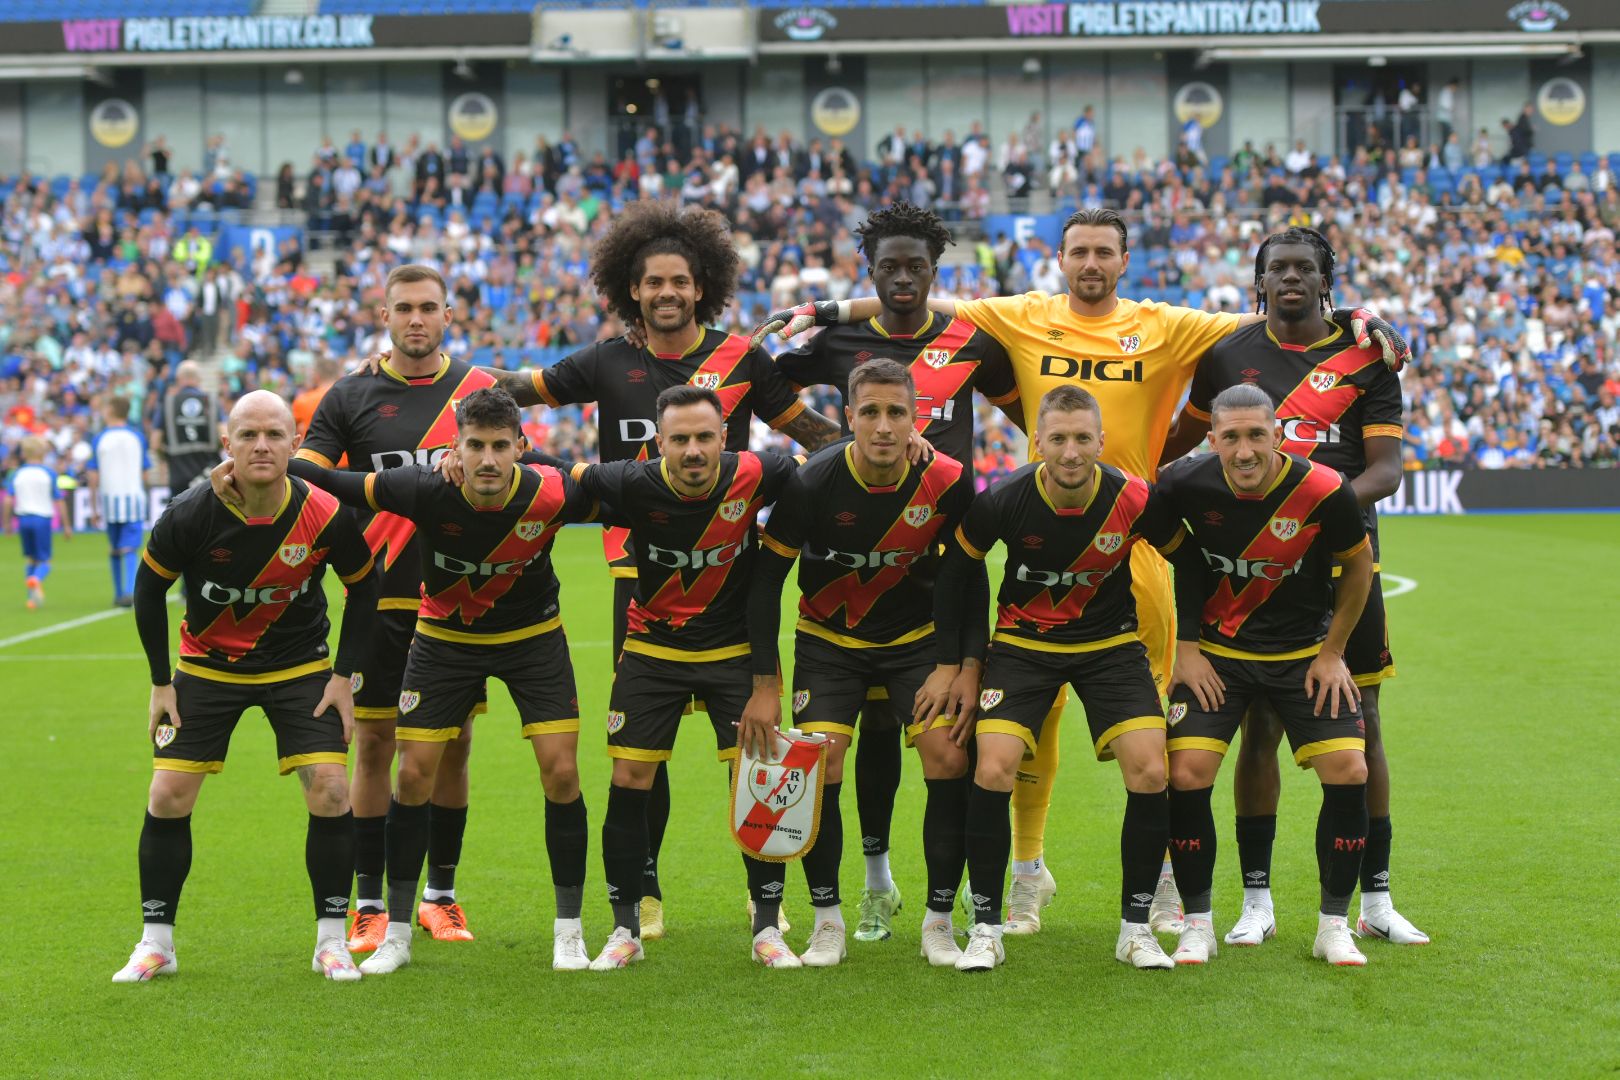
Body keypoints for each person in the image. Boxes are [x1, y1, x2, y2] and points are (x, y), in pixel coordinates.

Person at [756, 207, 1408, 936]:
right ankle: (1028, 872)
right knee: (1028, 721)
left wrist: (1354, 315)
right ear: (1059, 259)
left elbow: (1275, 313)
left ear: (1123, 259)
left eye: (1104, 252)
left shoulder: (1166, 324)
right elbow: (919, 298)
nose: (1091, 263)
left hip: (1143, 538)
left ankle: (1164, 879)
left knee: (1162, 716)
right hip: (1048, 541)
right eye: (1079, 252)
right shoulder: (1019, 315)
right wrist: (826, 308)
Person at [442, 201, 842, 939]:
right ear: (631, 288)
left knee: (748, 753)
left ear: (702, 286)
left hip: (726, 575)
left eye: (680, 282)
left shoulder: (741, 361)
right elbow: (513, 391)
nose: (666, 293)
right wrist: (444, 391)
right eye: (652, 282)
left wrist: (883, 450)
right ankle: (646, 896)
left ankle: (766, 903)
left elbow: (809, 435)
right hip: (638, 577)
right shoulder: (604, 361)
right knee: (641, 756)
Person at [232, 388, 600, 975]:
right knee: (412, 770)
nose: (485, 460)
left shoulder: (552, 491)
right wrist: (267, 461)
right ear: (454, 448)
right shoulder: (424, 488)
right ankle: (396, 934)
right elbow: (342, 484)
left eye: (500, 447)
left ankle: (570, 934)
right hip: (444, 640)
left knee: (561, 771)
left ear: (520, 450)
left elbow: (631, 488)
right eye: (474, 446)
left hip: (533, 638)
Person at [1160, 227, 1426, 947]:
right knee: (1257, 724)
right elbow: (1182, 447)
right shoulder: (1227, 354)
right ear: (1259, 279)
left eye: (1304, 269)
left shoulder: (1369, 356)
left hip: (1338, 558)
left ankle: (1374, 896)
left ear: (1325, 279)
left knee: (1362, 719)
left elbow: (1385, 471)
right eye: (1277, 268)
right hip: (1241, 565)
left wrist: (1312, 514)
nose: (1290, 279)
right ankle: (1256, 902)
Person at [770, 202, 1020, 944]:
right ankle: (872, 882)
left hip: (936, 566)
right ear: (869, 272)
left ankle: (967, 895)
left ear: (936, 271)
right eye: (889, 267)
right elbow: (760, 382)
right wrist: (822, 444)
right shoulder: (840, 339)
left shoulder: (973, 338)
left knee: (941, 743)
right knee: (859, 735)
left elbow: (1029, 411)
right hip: (846, 574)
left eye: (917, 266)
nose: (904, 278)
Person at [116, 390, 378, 983]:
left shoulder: (326, 512)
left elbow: (365, 587)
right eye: (249, 435)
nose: (262, 445)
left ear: (295, 444)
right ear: (227, 444)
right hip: (207, 668)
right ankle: (157, 942)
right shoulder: (190, 512)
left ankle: (330, 942)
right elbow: (149, 590)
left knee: (333, 791)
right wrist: (162, 681)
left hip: (298, 668)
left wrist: (343, 676)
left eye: (275, 435)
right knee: (166, 797)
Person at [276, 264, 500, 953]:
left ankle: (441, 897)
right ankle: (369, 903)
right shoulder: (350, 394)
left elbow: (517, 469)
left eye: (428, 308)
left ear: (448, 316)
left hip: (457, 597)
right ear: (384, 315)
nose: (416, 320)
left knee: (452, 747)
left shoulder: (478, 392)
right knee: (372, 746)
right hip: (378, 598)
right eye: (404, 308)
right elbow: (308, 474)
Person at [542, 386, 805, 970]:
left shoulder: (762, 472)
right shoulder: (630, 482)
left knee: (758, 776)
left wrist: (768, 683)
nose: (692, 450)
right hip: (652, 649)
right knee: (631, 776)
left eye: (704, 437)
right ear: (658, 443)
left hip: (732, 650)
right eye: (679, 439)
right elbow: (555, 471)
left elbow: (829, 466)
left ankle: (767, 927)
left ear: (725, 440)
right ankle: (625, 927)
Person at [934, 385, 1181, 972]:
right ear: (1038, 441)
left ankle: (1135, 929)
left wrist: (1191, 647)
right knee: (992, 766)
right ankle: (987, 929)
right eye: (1059, 439)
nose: (1071, 452)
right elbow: (958, 574)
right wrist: (962, 664)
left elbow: (1188, 560)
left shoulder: (1135, 497)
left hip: (1111, 644)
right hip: (1024, 645)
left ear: (1101, 441)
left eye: (1083, 439)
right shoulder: (1003, 499)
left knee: (1151, 768)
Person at [745, 359, 981, 969]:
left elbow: (969, 577)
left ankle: (937, 920)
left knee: (949, 754)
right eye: (869, 412)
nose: (882, 426)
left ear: (915, 419)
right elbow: (766, 580)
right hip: (829, 643)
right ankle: (827, 920)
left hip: (917, 644)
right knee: (821, 762)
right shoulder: (811, 481)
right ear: (849, 418)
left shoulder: (949, 480)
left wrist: (959, 666)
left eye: (895, 412)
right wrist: (766, 685)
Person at [1153, 383, 1375, 968]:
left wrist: (1332, 653)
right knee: (1187, 771)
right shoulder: (1183, 484)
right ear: (1212, 441)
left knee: (1350, 767)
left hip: (1304, 654)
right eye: (1231, 437)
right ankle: (1199, 922)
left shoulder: (1324, 489)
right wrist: (1188, 646)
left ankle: (1333, 925)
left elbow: (1357, 571)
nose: (1245, 450)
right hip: (1219, 657)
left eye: (1257, 435)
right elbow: (1179, 555)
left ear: (1279, 435)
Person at [88, 396, 150, 607]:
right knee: (130, 548)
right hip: (133, 499)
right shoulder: (138, 437)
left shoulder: (99, 439)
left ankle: (118, 593)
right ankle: (129, 592)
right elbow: (145, 473)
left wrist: (94, 504)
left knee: (114, 548)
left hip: (110, 500)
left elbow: (93, 474)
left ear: (111, 411)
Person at [3, 436, 71, 608]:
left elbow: (8, 500)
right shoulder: (48, 473)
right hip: (42, 519)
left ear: (24, 454)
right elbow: (59, 500)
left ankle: (31, 599)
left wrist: (7, 523)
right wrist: (67, 525)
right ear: (43, 453)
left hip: (23, 519)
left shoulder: (17, 473)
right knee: (45, 561)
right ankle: (36, 579)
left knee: (30, 559)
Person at [159, 361, 219, 500]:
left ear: (179, 379)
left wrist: (165, 455)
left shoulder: (168, 402)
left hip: (178, 478)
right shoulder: (211, 401)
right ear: (199, 379)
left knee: (181, 518)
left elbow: (155, 442)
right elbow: (223, 433)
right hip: (207, 477)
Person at [291, 356, 341, 437]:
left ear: (316, 376)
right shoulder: (351, 399)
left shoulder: (303, 400)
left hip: (311, 448)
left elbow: (289, 430)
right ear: (339, 375)